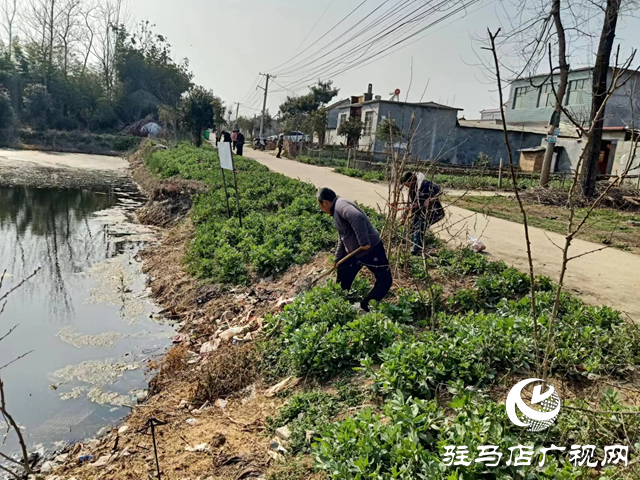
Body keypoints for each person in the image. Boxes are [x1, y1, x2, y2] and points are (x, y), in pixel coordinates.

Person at [317, 187, 392, 311]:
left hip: (371, 249)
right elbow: (343, 236)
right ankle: (337, 306)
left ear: (325, 202)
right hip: (354, 253)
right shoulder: (336, 210)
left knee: (385, 280)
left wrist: (363, 241)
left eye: (320, 205)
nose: (321, 209)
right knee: (343, 276)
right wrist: (337, 258)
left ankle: (364, 307)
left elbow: (356, 216)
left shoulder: (341, 206)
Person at [401, 171, 445, 256]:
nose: (406, 187)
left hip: (434, 212)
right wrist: (404, 217)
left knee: (420, 227)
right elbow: (410, 204)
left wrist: (430, 199)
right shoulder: (412, 191)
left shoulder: (425, 185)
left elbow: (440, 191)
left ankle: (416, 250)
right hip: (419, 213)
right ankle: (416, 245)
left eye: (407, 184)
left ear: (412, 180)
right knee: (412, 227)